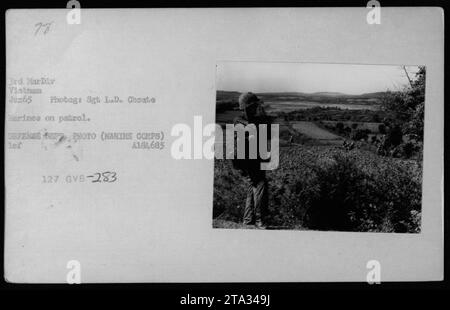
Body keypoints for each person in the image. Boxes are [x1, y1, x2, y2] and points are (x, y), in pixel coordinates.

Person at [232, 92, 271, 229]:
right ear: (247, 108)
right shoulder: (242, 121)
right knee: (260, 184)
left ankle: (248, 220)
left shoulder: (243, 120)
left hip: (249, 158)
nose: (256, 108)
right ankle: (260, 220)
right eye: (254, 106)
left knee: (253, 185)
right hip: (248, 159)